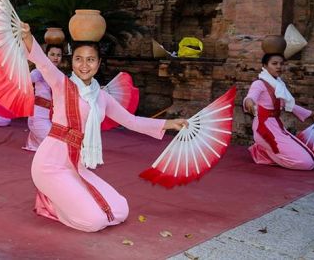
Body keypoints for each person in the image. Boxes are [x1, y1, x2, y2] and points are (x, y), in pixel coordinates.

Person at [20, 23, 188, 232]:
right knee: (94, 222)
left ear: (98, 63)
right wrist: (27, 36)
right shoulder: (62, 85)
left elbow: (131, 121)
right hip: (49, 165)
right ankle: (51, 204)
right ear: (71, 62)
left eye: (90, 59)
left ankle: (64, 198)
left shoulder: (101, 96)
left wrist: (170, 123)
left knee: (120, 210)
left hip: (76, 166)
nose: (84, 65)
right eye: (78, 59)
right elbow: (43, 63)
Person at [244, 53, 314, 170]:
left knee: (312, 159)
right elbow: (251, 96)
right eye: (274, 64)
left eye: (281, 64)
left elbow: (290, 105)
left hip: (277, 127)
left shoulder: (279, 85)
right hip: (264, 128)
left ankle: (263, 150)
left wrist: (312, 114)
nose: (279, 67)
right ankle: (262, 151)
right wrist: (248, 101)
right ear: (265, 65)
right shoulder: (259, 84)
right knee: (307, 163)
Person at [24, 43, 63, 151]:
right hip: (38, 117)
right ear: (47, 56)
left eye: (59, 55)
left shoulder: (59, 74)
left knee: (63, 142)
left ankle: (36, 140)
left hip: (51, 118)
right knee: (56, 145)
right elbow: (28, 79)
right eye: (53, 54)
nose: (56, 57)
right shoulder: (39, 72)